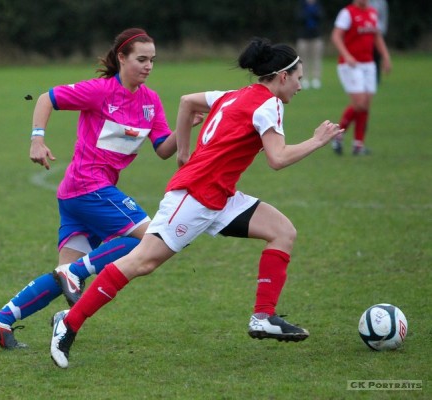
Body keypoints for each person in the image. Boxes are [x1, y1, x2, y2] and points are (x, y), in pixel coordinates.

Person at [49, 37, 345, 369]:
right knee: (141, 262)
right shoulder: (269, 105)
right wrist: (317, 140)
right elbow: (277, 158)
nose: (300, 86)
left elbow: (188, 101)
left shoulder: (232, 95)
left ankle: (263, 317)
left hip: (221, 196)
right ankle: (69, 323)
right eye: (299, 79)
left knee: (282, 231)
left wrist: (185, 153)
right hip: (195, 197)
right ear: (282, 76)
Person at [0, 28, 202, 349]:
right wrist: (37, 139)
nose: (148, 66)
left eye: (152, 60)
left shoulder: (150, 102)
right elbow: (47, 98)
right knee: (150, 238)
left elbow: (163, 149)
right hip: (88, 186)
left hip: (82, 193)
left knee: (63, 274)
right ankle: (74, 274)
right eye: (141, 59)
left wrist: (184, 127)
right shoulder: (99, 91)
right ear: (121, 58)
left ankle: (0, 320)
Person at [330, 0, 391, 155]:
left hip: (369, 64)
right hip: (351, 65)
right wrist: (346, 55)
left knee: (365, 105)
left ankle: (358, 145)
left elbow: (377, 36)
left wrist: (385, 56)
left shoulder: (372, 13)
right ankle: (338, 135)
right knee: (359, 103)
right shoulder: (347, 13)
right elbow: (336, 36)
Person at [295, 0, 325, 89]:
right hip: (303, 37)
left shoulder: (318, 6)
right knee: (303, 59)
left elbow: (321, 17)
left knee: (316, 58)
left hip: (316, 37)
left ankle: (316, 78)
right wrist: (307, 14)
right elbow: (298, 18)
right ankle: (304, 79)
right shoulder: (301, 6)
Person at [369, 0, 389, 84]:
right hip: (365, 34)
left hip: (377, 33)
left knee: (377, 57)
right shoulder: (362, 2)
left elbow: (384, 18)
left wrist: (382, 32)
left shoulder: (381, 2)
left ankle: (376, 79)